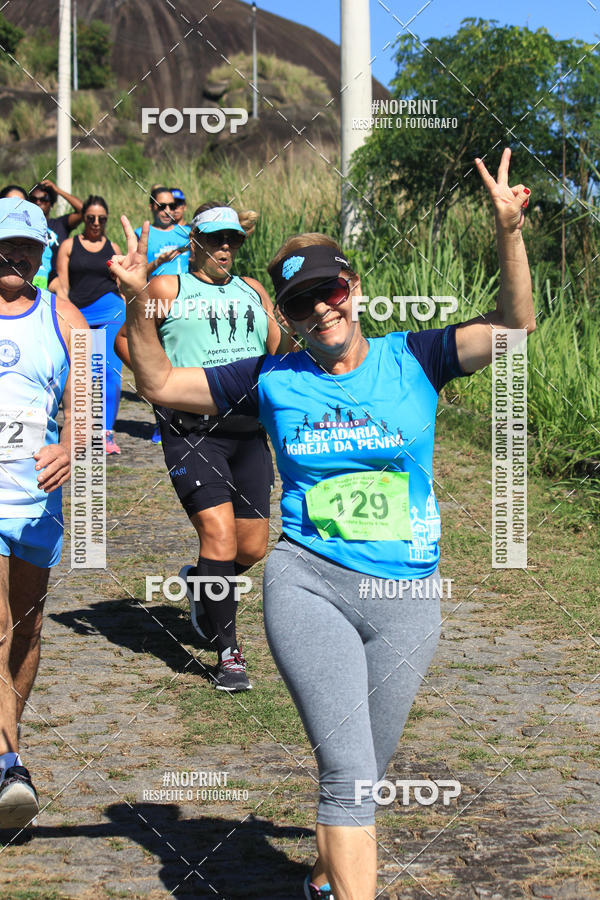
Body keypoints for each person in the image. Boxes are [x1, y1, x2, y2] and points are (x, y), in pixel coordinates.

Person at [113, 149, 535, 899]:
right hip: (309, 585)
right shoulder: (272, 379)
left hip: (410, 598)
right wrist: (144, 301)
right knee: (345, 771)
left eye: (330, 292)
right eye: (303, 303)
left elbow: (515, 326)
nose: (322, 310)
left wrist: (508, 231)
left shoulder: (419, 357)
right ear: (287, 315)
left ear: (355, 289)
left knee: (365, 770)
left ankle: (322, 879)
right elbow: (157, 382)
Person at [114, 202, 290, 691]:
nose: (225, 248)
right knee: (219, 536)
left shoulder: (253, 291)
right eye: (215, 239)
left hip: (248, 434)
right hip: (193, 433)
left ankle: (203, 583)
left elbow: (281, 353)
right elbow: (126, 342)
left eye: (232, 239)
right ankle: (229, 652)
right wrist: (161, 387)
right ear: (195, 241)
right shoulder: (169, 287)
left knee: (251, 547)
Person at [0, 197, 88, 828]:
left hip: (37, 504)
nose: (16, 256)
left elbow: (86, 405)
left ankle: (6, 746)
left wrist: (69, 444)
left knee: (26, 630)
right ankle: (9, 763)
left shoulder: (66, 318)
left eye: (28, 247)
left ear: (40, 254)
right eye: (6, 245)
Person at [56, 195, 125, 455]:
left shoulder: (114, 247)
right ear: (83, 218)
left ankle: (106, 433)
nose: (96, 223)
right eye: (91, 218)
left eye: (102, 219)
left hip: (110, 311)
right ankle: (81, 431)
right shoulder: (69, 245)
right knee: (83, 374)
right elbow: (63, 285)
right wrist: (64, 313)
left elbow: (121, 282)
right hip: (79, 313)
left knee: (108, 371)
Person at [135, 187, 192, 443]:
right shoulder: (141, 235)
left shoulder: (187, 233)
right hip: (156, 307)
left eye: (171, 205)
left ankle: (189, 418)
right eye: (161, 206)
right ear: (151, 207)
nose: (167, 210)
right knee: (159, 367)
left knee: (186, 363)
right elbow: (136, 274)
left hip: (188, 305)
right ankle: (162, 422)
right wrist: (158, 262)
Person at [28, 179, 83, 290]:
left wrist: (58, 191)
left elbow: (84, 210)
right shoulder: (25, 226)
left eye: (44, 199)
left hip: (57, 283)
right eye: (34, 199)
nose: (38, 202)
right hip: (31, 279)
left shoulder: (59, 224)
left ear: (51, 203)